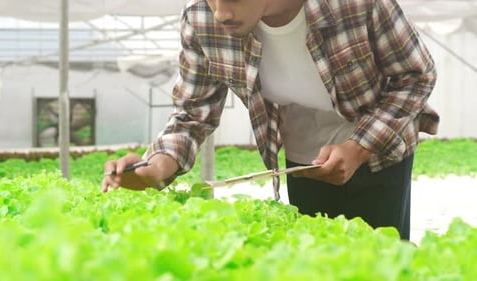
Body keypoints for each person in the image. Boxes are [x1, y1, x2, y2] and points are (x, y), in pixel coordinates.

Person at [101, 0, 439, 240]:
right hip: (303, 156)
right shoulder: (201, 19)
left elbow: (416, 76)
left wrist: (358, 147)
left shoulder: (357, 5)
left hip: (379, 145)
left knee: (378, 254)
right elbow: (193, 112)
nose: (221, 12)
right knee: (316, 254)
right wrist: (154, 169)